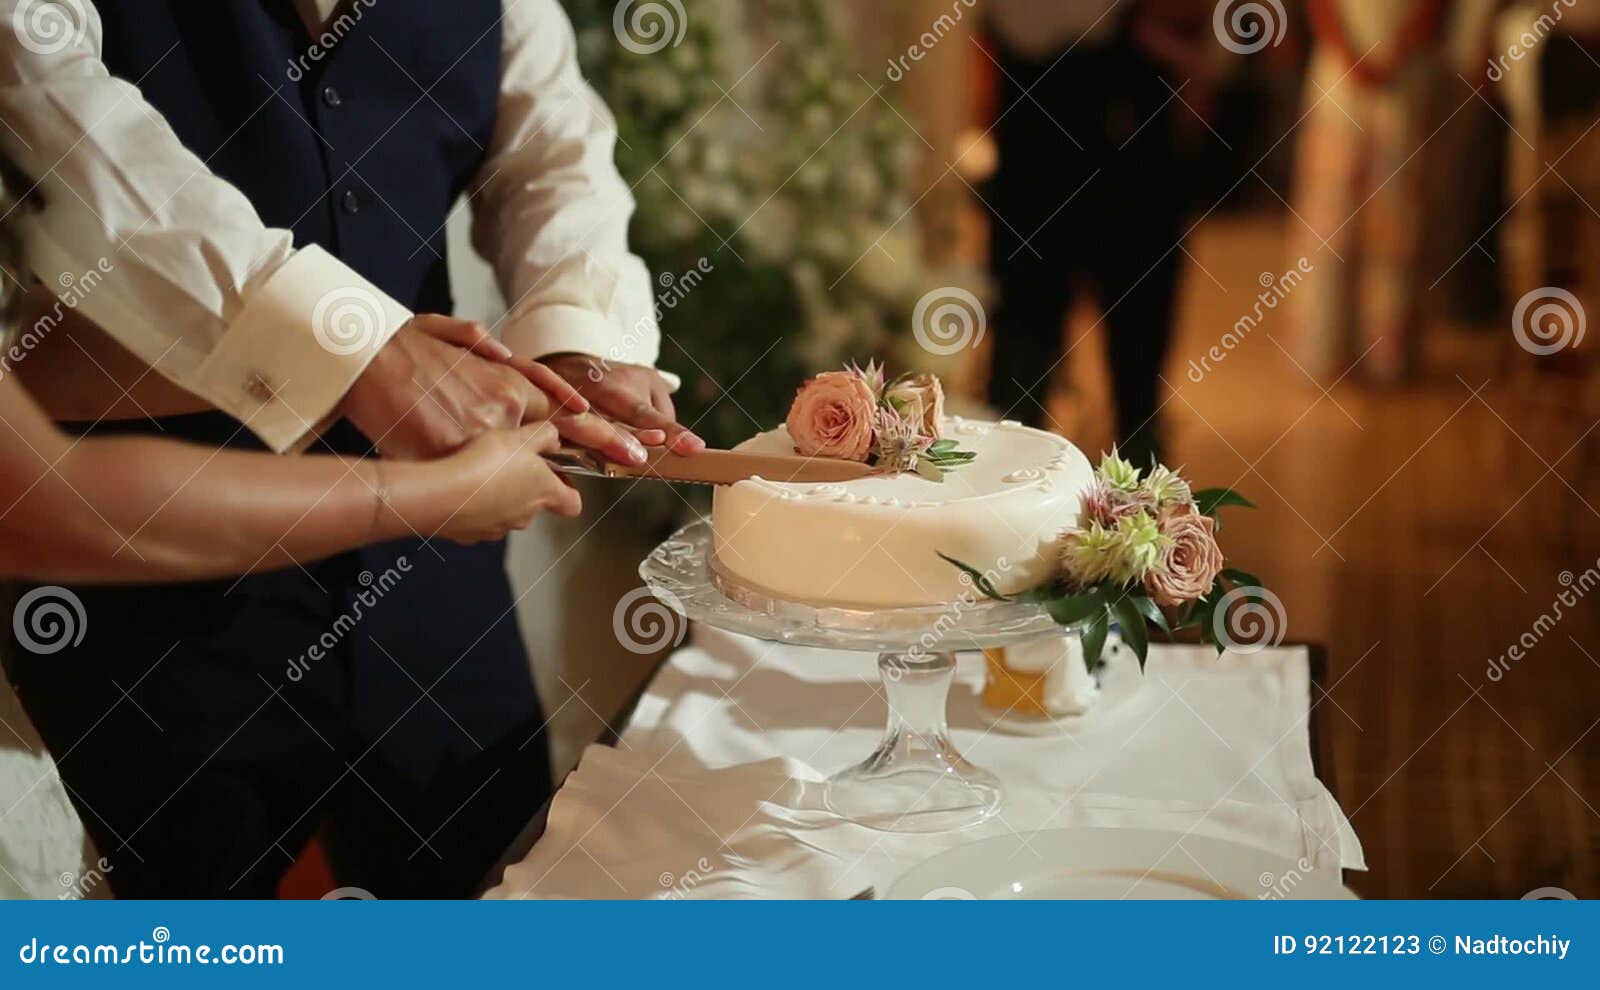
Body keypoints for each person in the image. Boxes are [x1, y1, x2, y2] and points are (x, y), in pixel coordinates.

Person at [0, 0, 697, 897]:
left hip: (439, 570)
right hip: (151, 581)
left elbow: (553, 155)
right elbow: (70, 144)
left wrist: (578, 338)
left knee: (502, 889)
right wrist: (355, 352)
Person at [983, 0, 1218, 466]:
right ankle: (1008, 480)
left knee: (1142, 310)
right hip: (1043, 105)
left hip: (1132, 110)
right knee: (1026, 323)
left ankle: (1139, 482)